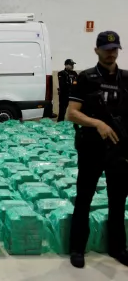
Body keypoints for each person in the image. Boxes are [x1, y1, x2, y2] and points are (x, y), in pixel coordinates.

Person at [67, 31, 128, 269]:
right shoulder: (85, 78)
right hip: (92, 147)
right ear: (96, 50)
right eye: (106, 48)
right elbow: (72, 113)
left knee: (117, 200)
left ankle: (117, 248)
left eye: (115, 49)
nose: (111, 53)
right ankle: (77, 249)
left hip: (120, 150)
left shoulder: (126, 79)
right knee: (84, 198)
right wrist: (98, 124)